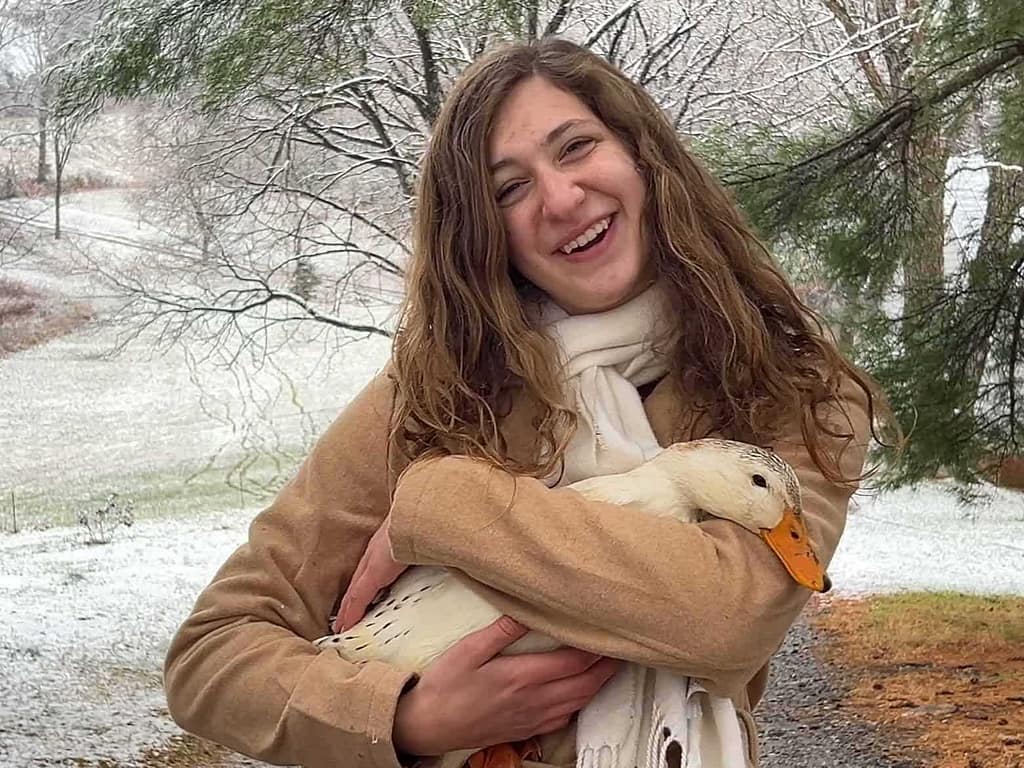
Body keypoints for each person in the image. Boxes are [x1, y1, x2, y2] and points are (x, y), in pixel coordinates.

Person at [164, 37, 887, 768]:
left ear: (643, 155)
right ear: (483, 231)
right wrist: (407, 719)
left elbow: (724, 617)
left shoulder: (793, 390)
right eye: (509, 189)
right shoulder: (434, 389)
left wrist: (440, 507)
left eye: (576, 147)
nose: (562, 199)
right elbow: (212, 656)